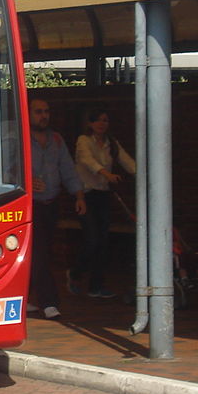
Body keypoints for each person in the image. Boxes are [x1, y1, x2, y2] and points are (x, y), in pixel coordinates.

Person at [28, 97, 86, 319]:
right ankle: (49, 301)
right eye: (38, 112)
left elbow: (68, 169)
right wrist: (26, 180)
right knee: (39, 253)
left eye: (46, 111)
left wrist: (79, 196)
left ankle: (24, 297)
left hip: (50, 204)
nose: (44, 116)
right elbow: (6, 169)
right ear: (29, 113)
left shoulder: (56, 140)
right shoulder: (19, 138)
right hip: (29, 205)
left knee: (42, 252)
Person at [70, 109, 136, 299]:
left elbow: (126, 160)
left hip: (103, 195)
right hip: (85, 195)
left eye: (105, 120)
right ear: (90, 123)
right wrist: (106, 174)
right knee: (92, 239)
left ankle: (96, 285)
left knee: (103, 241)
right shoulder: (83, 141)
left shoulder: (111, 143)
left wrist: (141, 173)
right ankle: (76, 273)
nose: (102, 124)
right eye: (98, 120)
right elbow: (87, 161)